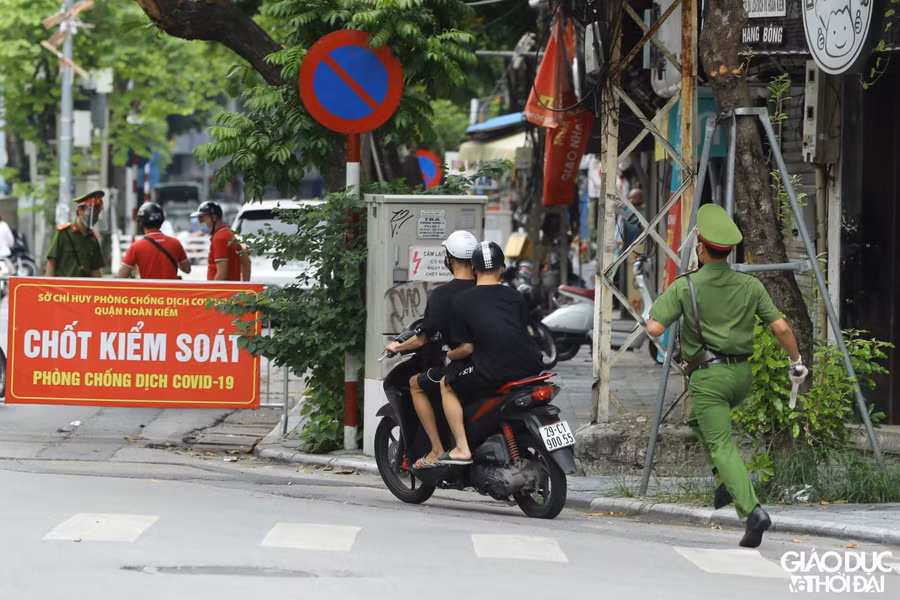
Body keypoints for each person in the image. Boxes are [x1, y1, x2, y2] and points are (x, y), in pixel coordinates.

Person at [646, 203, 808, 549]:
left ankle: (752, 512)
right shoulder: (750, 286)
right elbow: (780, 326)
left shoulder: (685, 287)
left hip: (708, 378)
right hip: (741, 376)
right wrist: (796, 360)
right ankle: (724, 483)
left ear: (701, 249)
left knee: (721, 445)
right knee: (698, 422)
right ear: (730, 250)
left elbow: (655, 327)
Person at [437, 241, 544, 465]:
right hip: (531, 365)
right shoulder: (515, 297)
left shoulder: (461, 301)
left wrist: (449, 356)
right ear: (502, 268)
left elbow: (466, 348)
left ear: (474, 269)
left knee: (446, 383)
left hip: (494, 369)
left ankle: (461, 448)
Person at [383, 231, 478, 468]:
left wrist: (397, 346)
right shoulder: (487, 289)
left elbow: (422, 338)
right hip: (491, 363)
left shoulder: (443, 295)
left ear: (450, 259)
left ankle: (436, 449)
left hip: (463, 366)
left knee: (416, 383)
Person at [117, 202, 191, 280]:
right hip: (171, 291)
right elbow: (187, 269)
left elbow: (122, 275)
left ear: (141, 222)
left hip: (148, 291)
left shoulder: (136, 246)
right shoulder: (175, 243)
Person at [45, 190, 106, 278]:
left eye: (97, 211)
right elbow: (51, 262)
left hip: (84, 289)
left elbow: (95, 270)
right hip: (63, 289)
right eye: (91, 210)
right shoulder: (63, 233)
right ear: (80, 210)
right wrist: (49, 287)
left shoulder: (93, 239)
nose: (95, 214)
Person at [191, 200, 250, 281]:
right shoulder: (229, 234)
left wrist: (213, 292)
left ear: (214, 218)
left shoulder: (219, 239)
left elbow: (222, 274)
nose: (201, 224)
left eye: (202, 220)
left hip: (223, 292)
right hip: (232, 291)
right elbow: (246, 262)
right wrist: (244, 287)